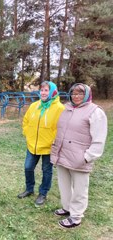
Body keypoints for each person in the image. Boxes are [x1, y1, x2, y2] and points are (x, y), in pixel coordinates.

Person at [51, 83, 107, 229]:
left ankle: (76, 216)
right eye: (74, 93)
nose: (76, 96)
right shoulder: (66, 108)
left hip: (79, 158)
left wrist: (87, 157)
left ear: (87, 94)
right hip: (63, 154)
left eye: (80, 93)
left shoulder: (95, 111)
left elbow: (99, 139)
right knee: (64, 185)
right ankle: (67, 207)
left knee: (80, 189)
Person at [18, 81, 65, 206]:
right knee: (28, 167)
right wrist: (27, 134)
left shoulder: (60, 108)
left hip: (48, 147)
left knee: (46, 170)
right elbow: (26, 121)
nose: (43, 93)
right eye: (42, 90)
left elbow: (60, 128)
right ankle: (29, 189)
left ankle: (43, 193)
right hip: (32, 144)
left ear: (53, 92)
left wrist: (52, 141)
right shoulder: (34, 105)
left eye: (46, 90)